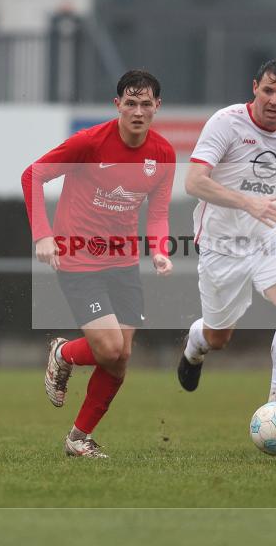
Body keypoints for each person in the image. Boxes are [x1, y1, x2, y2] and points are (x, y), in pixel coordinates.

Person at [21, 70, 175, 458]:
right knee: (107, 349)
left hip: (123, 260)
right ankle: (64, 354)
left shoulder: (163, 154)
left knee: (121, 357)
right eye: (130, 103)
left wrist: (159, 249)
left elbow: (157, 214)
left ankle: (78, 438)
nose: (137, 111)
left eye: (145, 104)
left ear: (157, 107)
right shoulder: (90, 142)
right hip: (78, 258)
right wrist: (42, 234)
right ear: (117, 105)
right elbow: (33, 175)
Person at [176, 59, 276, 404]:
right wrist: (248, 203)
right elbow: (193, 182)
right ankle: (195, 346)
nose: (273, 100)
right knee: (219, 338)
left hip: (270, 236)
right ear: (254, 88)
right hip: (222, 244)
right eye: (267, 91)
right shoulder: (225, 123)